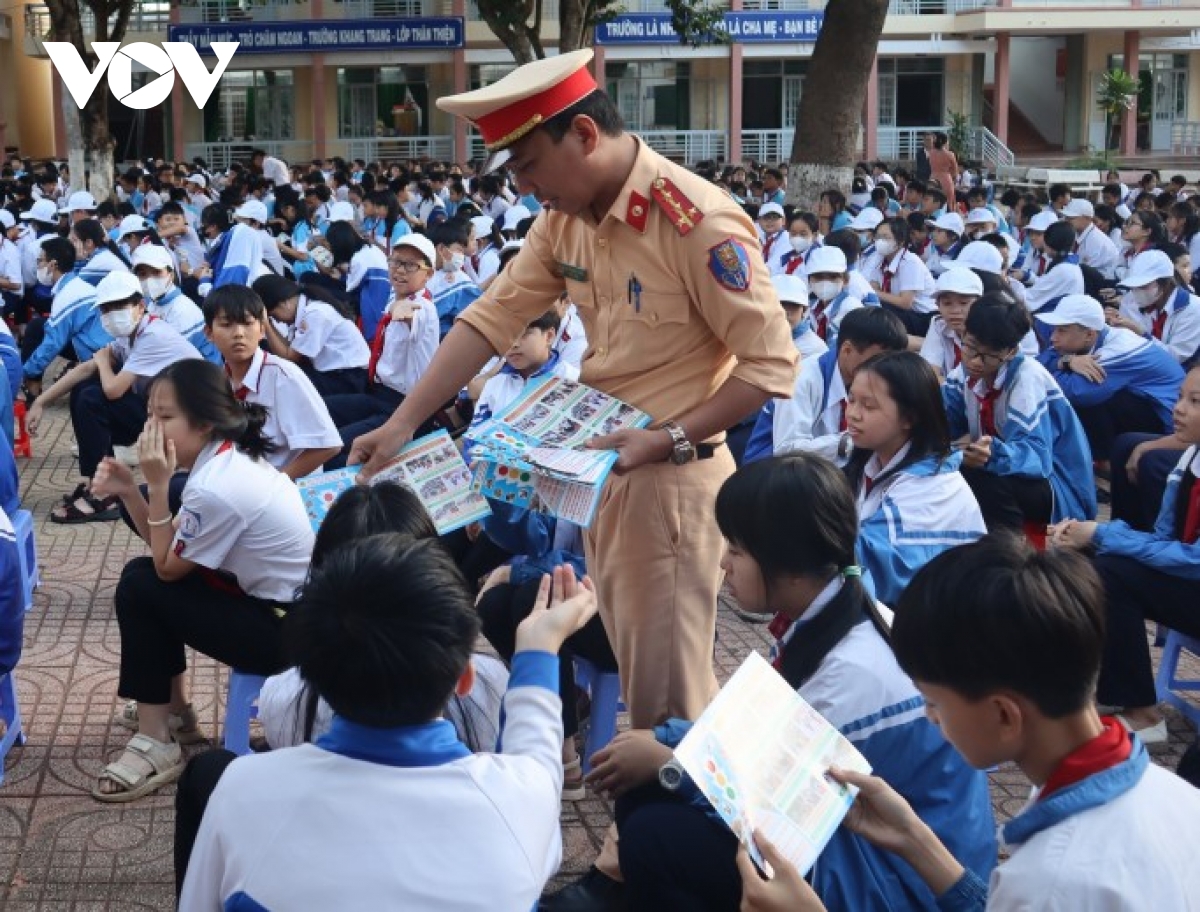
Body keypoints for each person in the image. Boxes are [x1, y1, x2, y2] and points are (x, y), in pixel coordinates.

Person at [350, 49, 796, 737]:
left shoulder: (696, 223)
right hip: (606, 474)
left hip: (672, 481)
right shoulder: (566, 220)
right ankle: (645, 833)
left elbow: (768, 366)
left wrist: (665, 438)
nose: (526, 189)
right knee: (639, 672)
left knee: (668, 703)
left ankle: (674, 839)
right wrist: (404, 422)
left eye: (529, 166)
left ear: (585, 136)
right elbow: (491, 319)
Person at [605, 454, 995, 912]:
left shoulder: (853, 673)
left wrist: (672, 763)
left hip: (900, 884)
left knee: (656, 837)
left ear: (788, 565)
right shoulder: (833, 614)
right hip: (870, 849)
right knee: (647, 798)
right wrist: (665, 744)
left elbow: (773, 802)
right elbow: (754, 735)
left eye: (736, 549)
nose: (724, 564)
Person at [738, 535, 1200, 912]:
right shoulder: (1174, 796)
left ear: (1003, 714)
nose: (928, 715)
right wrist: (918, 842)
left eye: (935, 701)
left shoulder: (1052, 882)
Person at [178, 543, 596, 910]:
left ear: (311, 675)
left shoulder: (242, 790)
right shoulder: (522, 799)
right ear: (464, 679)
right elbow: (535, 739)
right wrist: (539, 648)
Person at [90, 359, 314, 801]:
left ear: (206, 422)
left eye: (166, 417)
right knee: (141, 577)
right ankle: (173, 713)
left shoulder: (215, 486)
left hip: (285, 632)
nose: (151, 428)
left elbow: (167, 568)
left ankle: (157, 741)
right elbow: (168, 550)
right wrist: (130, 491)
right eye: (150, 414)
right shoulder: (223, 459)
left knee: (142, 587)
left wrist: (153, 486)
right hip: (281, 609)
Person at [1048, 363, 1200, 746]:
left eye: (1194, 402)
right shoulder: (1189, 459)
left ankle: (1142, 713)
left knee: (1112, 571)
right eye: (1181, 397)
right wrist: (1093, 537)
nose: (1178, 409)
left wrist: (1103, 533)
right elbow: (1163, 537)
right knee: (1096, 564)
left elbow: (1194, 560)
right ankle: (1114, 693)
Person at [28, 271, 202, 523]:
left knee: (93, 397)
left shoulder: (153, 335)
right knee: (85, 389)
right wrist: (40, 402)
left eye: (119, 306)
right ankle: (98, 483)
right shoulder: (131, 334)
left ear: (140, 306)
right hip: (161, 412)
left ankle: (103, 492)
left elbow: (113, 390)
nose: (111, 314)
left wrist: (102, 362)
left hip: (185, 421)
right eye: (106, 309)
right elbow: (86, 368)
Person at [944, 293, 1096, 533]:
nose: (975, 362)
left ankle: (1006, 555)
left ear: (1011, 352)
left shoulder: (1027, 378)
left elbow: (1037, 458)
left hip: (1058, 486)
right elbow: (942, 421)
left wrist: (992, 454)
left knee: (982, 478)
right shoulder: (962, 373)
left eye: (988, 356)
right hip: (1015, 476)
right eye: (970, 347)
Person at [844, 351, 986, 605]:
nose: (853, 413)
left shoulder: (934, 488)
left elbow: (868, 565)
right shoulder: (871, 464)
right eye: (851, 399)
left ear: (909, 417)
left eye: (868, 405)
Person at [323, 234, 441, 468]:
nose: (400, 270)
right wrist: (396, 305)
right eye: (395, 261)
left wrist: (401, 308)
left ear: (428, 274)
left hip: (403, 409)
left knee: (333, 449)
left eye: (411, 265)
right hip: (378, 394)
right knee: (321, 409)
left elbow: (411, 313)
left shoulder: (423, 307)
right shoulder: (393, 298)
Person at [202, 286, 342, 480]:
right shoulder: (219, 380)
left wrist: (274, 486)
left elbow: (328, 445)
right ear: (209, 333)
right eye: (227, 325)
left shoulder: (283, 377)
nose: (239, 334)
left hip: (285, 488)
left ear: (261, 330)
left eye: (248, 323)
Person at [744, 307, 908, 466]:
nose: (885, 368)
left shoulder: (870, 377)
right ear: (847, 350)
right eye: (877, 360)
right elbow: (787, 450)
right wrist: (851, 440)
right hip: (773, 472)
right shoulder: (804, 378)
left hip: (826, 469)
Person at [1037, 294, 1184, 470]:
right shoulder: (1088, 339)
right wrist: (1064, 361)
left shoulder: (1117, 349)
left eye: (1062, 330)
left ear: (1089, 334)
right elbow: (1041, 360)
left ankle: (1105, 465)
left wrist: (1057, 366)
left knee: (1091, 399)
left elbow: (1075, 392)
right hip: (1144, 405)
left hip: (1170, 422)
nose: (1053, 337)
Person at [20, 237, 111, 397]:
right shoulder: (75, 284)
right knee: (39, 325)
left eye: (40, 261)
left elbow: (52, 344)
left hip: (95, 351)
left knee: (36, 329)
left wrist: (25, 371)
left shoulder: (68, 295)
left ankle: (32, 387)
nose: (38, 266)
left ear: (53, 264)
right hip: (96, 343)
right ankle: (33, 383)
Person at [252, 274, 370, 396]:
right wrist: (268, 324)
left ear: (284, 303)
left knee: (284, 380)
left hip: (349, 378)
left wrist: (266, 324)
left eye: (274, 316)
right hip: (336, 373)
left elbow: (289, 357)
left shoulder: (315, 313)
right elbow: (289, 348)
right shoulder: (304, 309)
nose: (278, 321)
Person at [130, 244, 220, 364]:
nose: (149, 279)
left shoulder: (182, 311)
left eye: (156, 272)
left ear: (170, 275)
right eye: (142, 275)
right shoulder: (154, 303)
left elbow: (169, 359)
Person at [1112, 248, 1200, 363]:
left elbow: (1174, 357)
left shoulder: (1193, 308)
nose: (1136, 292)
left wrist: (1141, 333)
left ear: (1166, 283)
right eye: (1133, 287)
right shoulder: (1133, 300)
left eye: (1143, 286)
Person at [862, 217, 937, 336]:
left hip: (923, 317)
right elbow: (873, 287)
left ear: (900, 241)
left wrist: (876, 293)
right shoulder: (879, 258)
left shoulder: (910, 262)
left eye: (885, 237)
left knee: (880, 312)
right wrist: (875, 293)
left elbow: (905, 302)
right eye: (878, 237)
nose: (880, 241)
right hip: (903, 313)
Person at [919, 267, 983, 378]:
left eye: (963, 303)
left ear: (979, 304)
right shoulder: (939, 325)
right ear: (938, 305)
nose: (955, 311)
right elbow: (929, 375)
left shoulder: (991, 330)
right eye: (947, 303)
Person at [427, 218, 483, 339]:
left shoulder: (457, 279)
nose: (461, 256)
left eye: (463, 251)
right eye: (458, 250)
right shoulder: (428, 277)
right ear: (441, 249)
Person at [1061, 198, 1120, 280]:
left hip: (1102, 283)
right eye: (1066, 217)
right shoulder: (1077, 233)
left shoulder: (1096, 241)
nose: (1066, 220)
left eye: (1071, 218)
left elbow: (1083, 271)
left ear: (1087, 218)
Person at [771, 274, 826, 360]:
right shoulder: (757, 337)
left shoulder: (815, 349)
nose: (784, 312)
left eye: (793, 306)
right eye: (779, 304)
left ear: (804, 310)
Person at [927, 132, 958, 206]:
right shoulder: (950, 154)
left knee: (933, 202)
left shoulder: (930, 153)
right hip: (946, 179)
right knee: (948, 203)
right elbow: (955, 171)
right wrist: (953, 179)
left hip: (933, 178)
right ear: (945, 141)